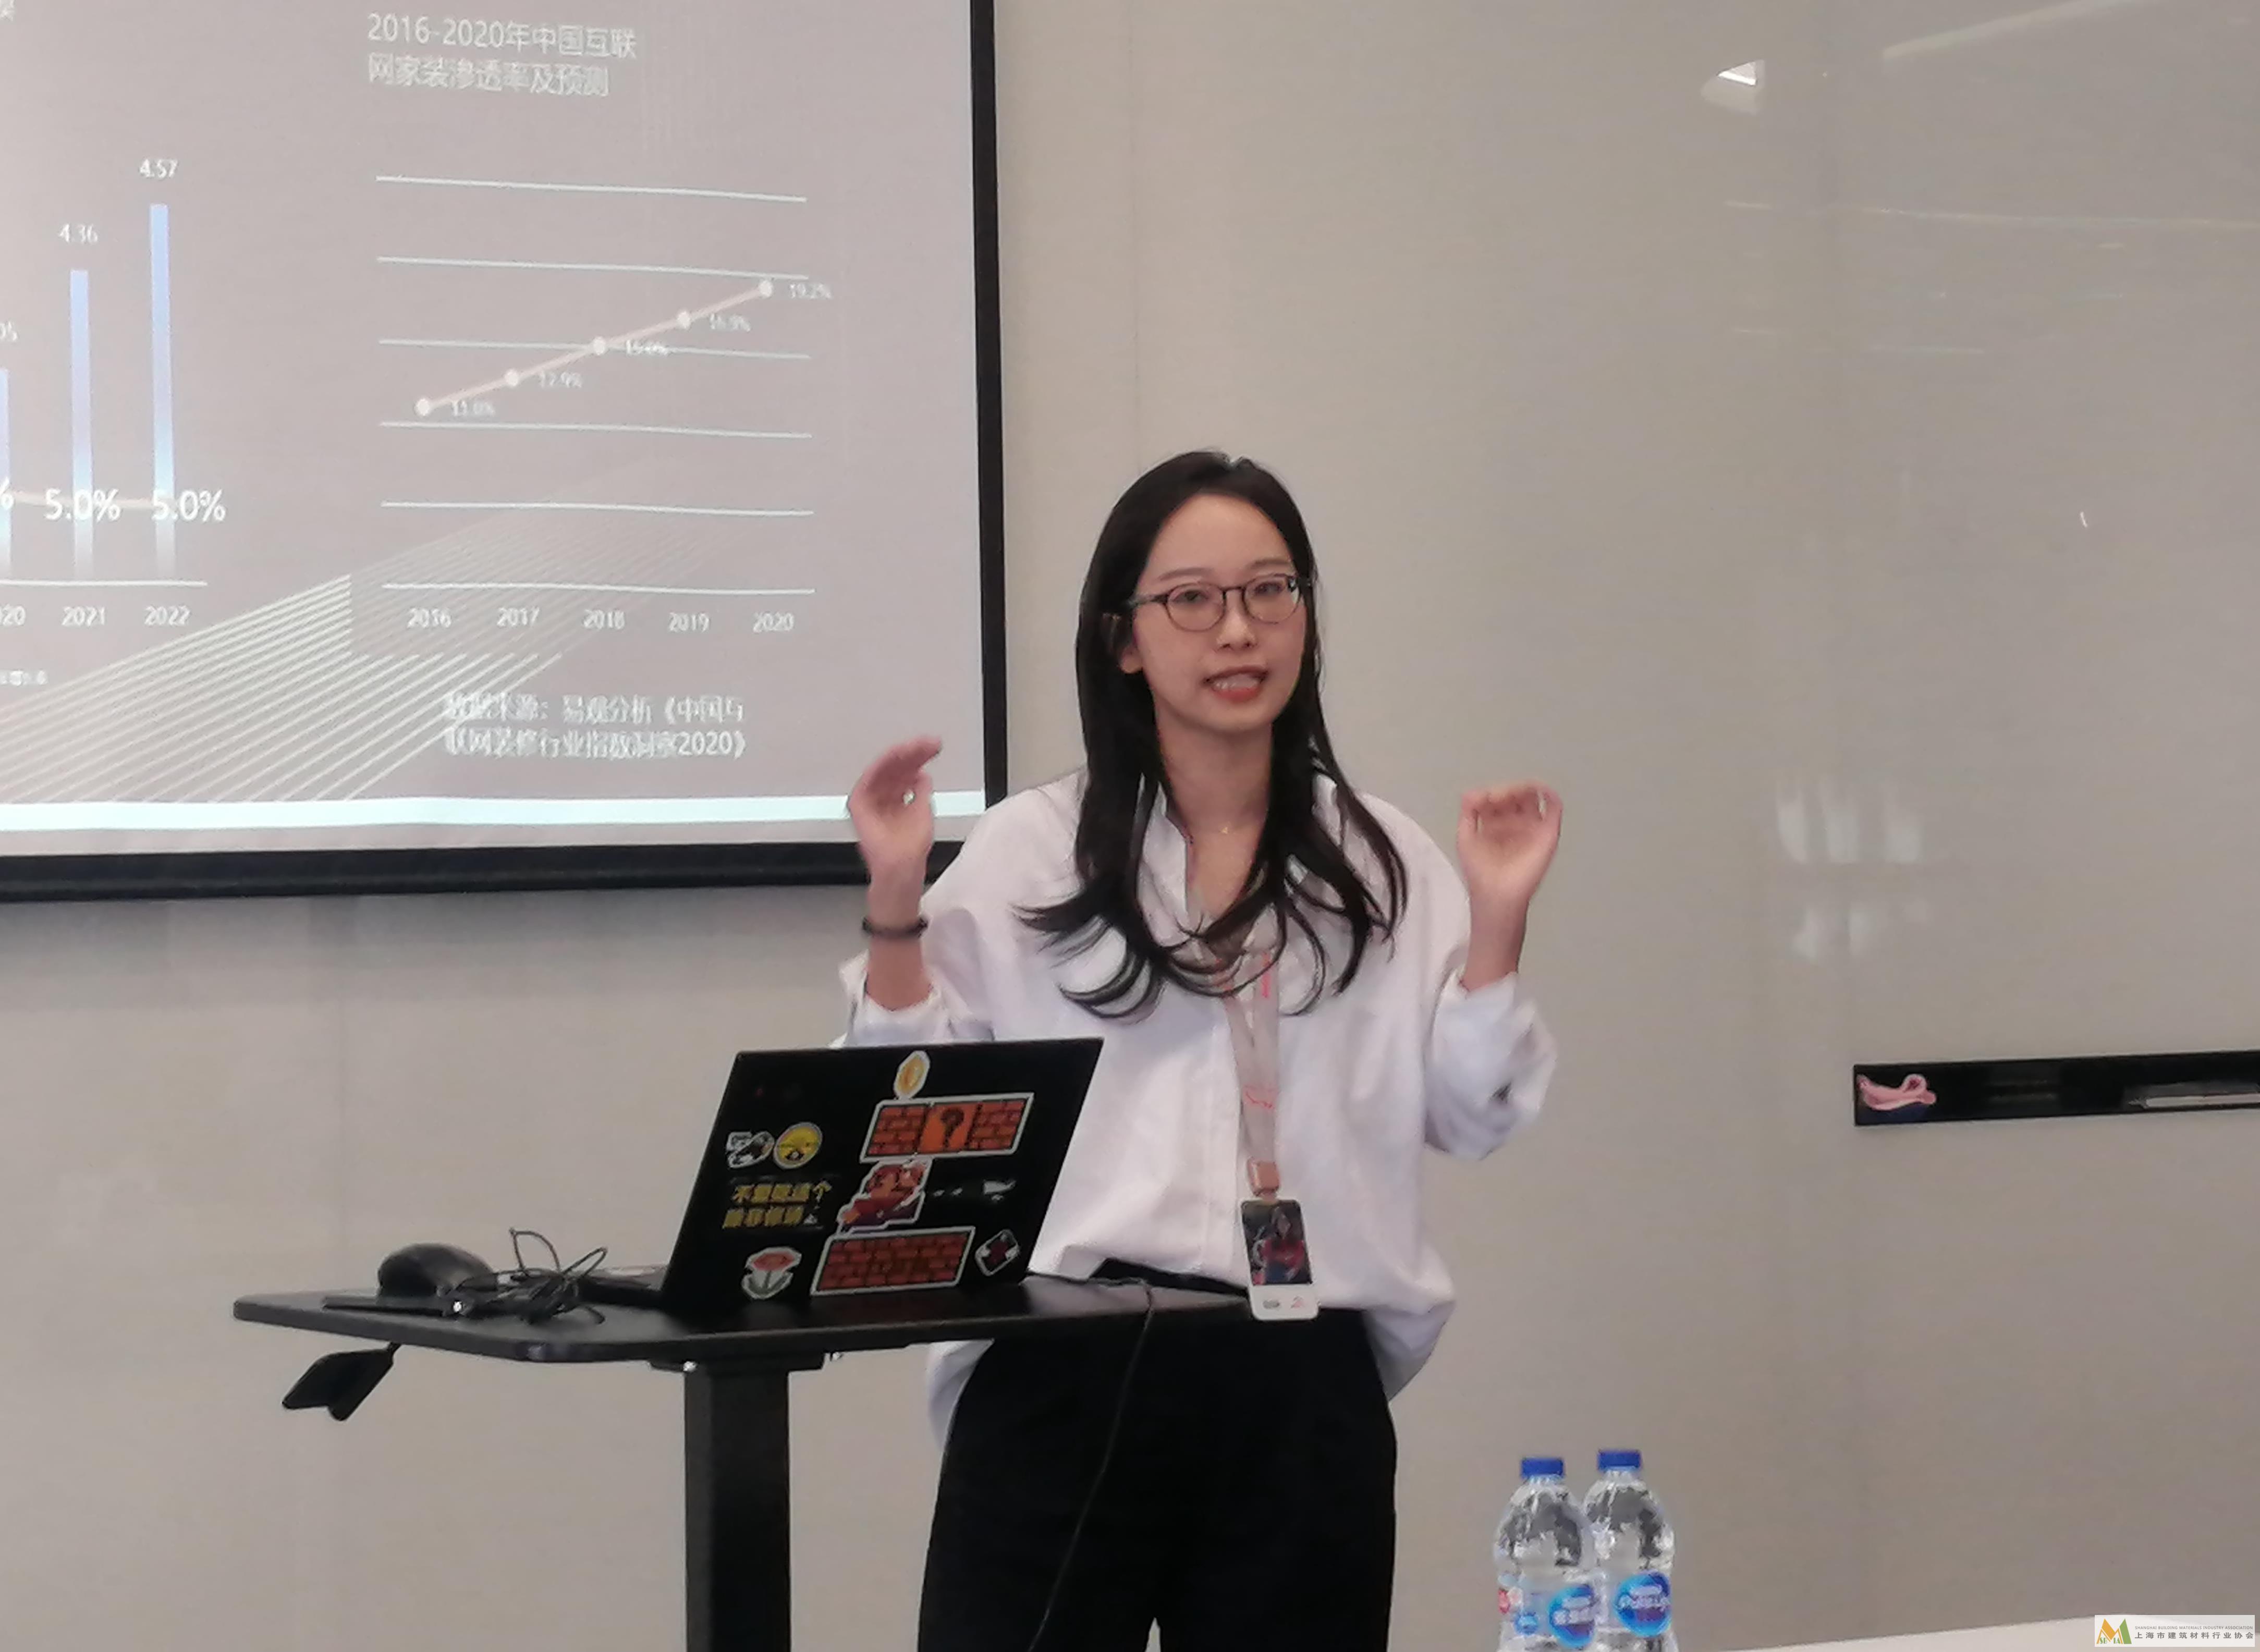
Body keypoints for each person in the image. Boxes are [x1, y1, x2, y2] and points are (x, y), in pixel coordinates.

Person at [840, 450, 1561, 1652]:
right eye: (1191, 599)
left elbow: (1475, 1113)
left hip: (1300, 1372)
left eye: (1269, 591)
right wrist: (896, 897)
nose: (1237, 630)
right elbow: (907, 1118)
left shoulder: (1379, 857)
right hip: (1065, 1359)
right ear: (1122, 638)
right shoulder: (1033, 849)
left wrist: (1495, 925)